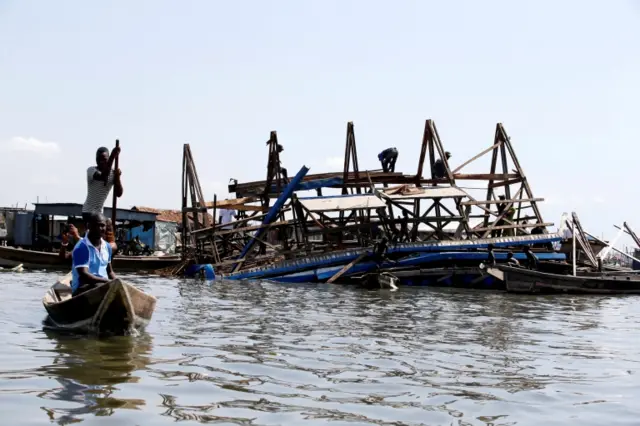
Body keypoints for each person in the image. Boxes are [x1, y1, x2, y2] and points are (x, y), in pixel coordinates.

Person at [71, 213, 116, 297]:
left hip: (103, 285)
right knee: (101, 288)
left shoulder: (107, 246)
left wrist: (118, 282)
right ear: (89, 226)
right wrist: (108, 282)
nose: (99, 228)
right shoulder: (81, 247)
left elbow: (110, 272)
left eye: (102, 226)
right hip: (82, 290)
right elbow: (84, 276)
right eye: (96, 225)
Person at [82, 146, 123, 224]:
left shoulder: (113, 173)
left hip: (99, 212)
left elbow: (119, 193)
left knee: (107, 230)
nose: (101, 162)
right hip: (88, 211)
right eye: (99, 159)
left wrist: (117, 178)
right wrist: (112, 156)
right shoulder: (91, 170)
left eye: (104, 160)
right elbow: (103, 177)